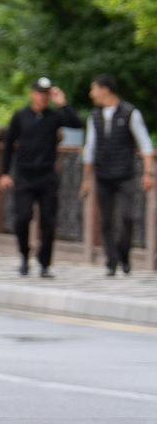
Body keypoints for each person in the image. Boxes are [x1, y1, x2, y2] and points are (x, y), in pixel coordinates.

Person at [0, 78, 81, 278]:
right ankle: (25, 257)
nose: (42, 97)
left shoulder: (54, 117)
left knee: (48, 221)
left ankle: (45, 264)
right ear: (32, 94)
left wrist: (62, 102)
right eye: (39, 92)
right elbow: (9, 145)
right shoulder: (20, 116)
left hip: (47, 176)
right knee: (22, 217)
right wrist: (5, 173)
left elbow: (77, 124)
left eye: (46, 93)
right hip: (25, 175)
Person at [85, 75, 152, 276]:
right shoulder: (94, 115)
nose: (91, 94)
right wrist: (86, 179)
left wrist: (148, 172)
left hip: (125, 174)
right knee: (106, 220)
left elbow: (145, 143)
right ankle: (111, 260)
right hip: (103, 174)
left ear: (105, 90)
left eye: (94, 89)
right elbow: (89, 148)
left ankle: (123, 253)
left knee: (127, 216)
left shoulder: (130, 112)